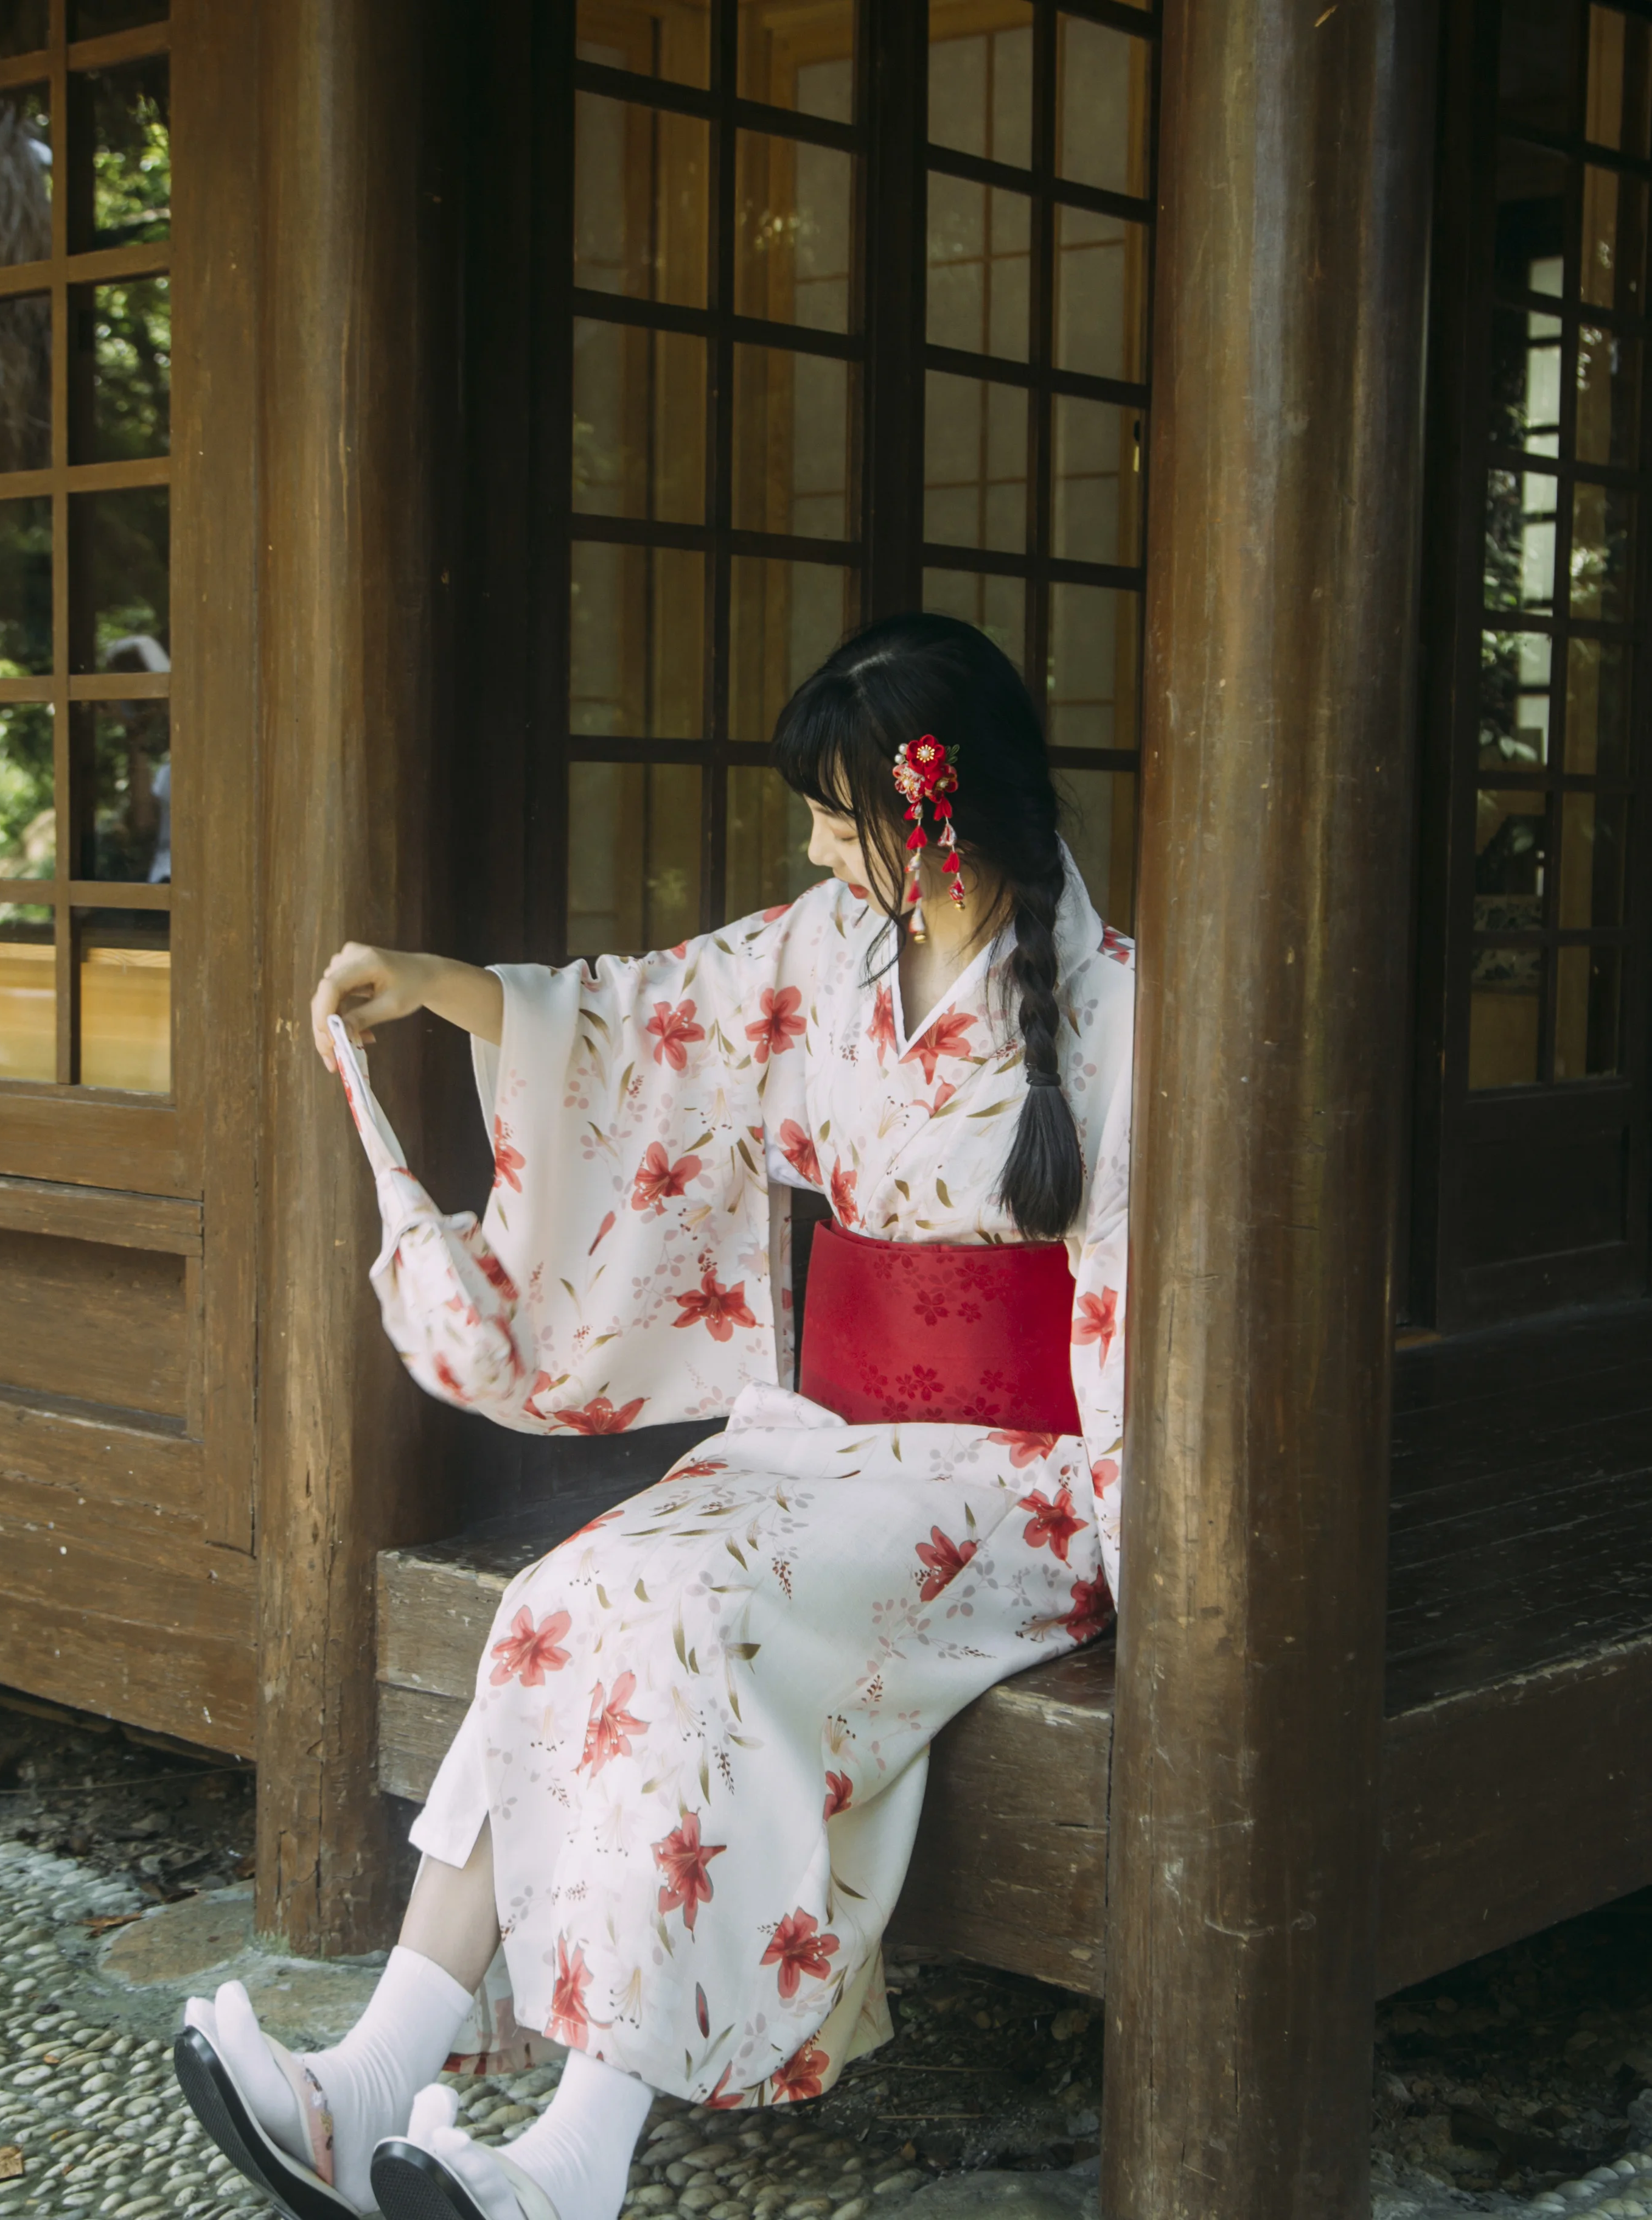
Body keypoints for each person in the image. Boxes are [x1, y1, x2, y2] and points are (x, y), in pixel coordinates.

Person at [173, 613, 1134, 2220]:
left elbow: (1130, 1312)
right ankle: (371, 2072)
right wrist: (449, 991)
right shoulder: (829, 957)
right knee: (572, 1597)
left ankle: (578, 2157)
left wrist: (1146, 1534)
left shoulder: (1117, 1009)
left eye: (841, 819)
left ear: (934, 814)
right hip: (820, 1441)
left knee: (687, 1610)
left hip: (1014, 1483)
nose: (816, 846)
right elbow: (647, 1028)